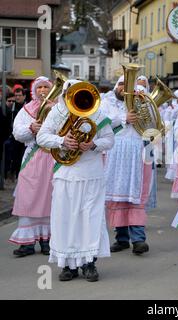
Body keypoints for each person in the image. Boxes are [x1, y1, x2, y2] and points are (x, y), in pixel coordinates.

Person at [37, 79, 114, 282]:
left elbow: (110, 140)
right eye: (70, 94)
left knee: (91, 219)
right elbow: (41, 137)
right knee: (65, 219)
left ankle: (89, 263)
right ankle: (67, 265)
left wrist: (94, 145)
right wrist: (62, 140)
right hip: (65, 174)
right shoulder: (57, 113)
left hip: (92, 175)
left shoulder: (97, 113)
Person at [102, 75, 152, 255]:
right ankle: (121, 238)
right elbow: (101, 121)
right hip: (114, 152)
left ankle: (138, 239)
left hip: (137, 152)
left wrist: (142, 113)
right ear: (116, 87)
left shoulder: (142, 100)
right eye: (121, 84)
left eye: (127, 84)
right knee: (117, 197)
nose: (123, 87)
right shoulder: (106, 102)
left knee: (135, 197)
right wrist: (125, 117)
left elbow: (153, 126)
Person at [8, 77, 54, 257]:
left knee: (50, 198)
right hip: (33, 157)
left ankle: (47, 241)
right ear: (34, 90)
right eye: (40, 87)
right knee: (28, 196)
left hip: (53, 156)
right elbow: (17, 132)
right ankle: (26, 242)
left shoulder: (58, 108)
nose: (43, 90)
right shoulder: (27, 109)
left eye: (46, 87)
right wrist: (31, 128)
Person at [5, 87, 26, 180]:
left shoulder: (27, 107)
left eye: (19, 95)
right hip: (13, 137)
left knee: (21, 158)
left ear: (24, 96)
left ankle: (18, 175)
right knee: (13, 157)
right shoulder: (11, 107)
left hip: (23, 137)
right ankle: (12, 173)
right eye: (16, 95)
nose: (17, 97)